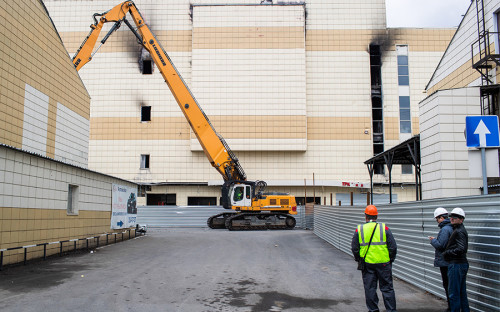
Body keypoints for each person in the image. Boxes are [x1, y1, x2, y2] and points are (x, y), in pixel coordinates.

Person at [351, 205, 398, 312]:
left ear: (365, 216)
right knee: (387, 289)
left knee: (370, 289)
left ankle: (373, 310)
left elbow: (354, 247)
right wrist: (390, 259)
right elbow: (393, 247)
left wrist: (359, 259)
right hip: (384, 264)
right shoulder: (384, 228)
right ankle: (391, 310)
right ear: (376, 216)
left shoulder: (360, 229)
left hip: (367, 264)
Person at [442, 207, 470, 312]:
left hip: (456, 265)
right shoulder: (458, 229)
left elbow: (462, 248)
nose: (452, 219)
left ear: (461, 219)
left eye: (455, 217)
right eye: (451, 217)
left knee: (454, 293)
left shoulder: (459, 231)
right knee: (461, 292)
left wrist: (447, 252)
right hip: (460, 264)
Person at [429, 207, 453, 312]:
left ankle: (451, 307)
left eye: (437, 219)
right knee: (451, 285)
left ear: (441, 218)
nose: (437, 221)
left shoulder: (445, 229)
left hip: (445, 262)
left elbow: (440, 245)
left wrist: (433, 240)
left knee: (447, 284)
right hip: (449, 261)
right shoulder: (451, 227)